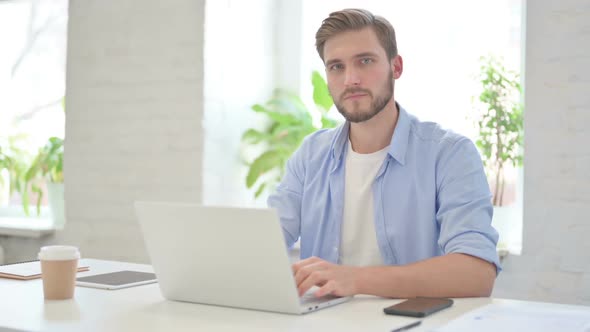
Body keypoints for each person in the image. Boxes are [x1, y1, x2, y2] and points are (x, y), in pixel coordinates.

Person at [268, 8, 501, 299]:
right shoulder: (310, 156)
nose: (350, 79)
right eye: (336, 67)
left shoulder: (450, 154)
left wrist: (356, 279)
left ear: (397, 67)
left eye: (365, 61)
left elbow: (476, 274)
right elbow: (263, 243)